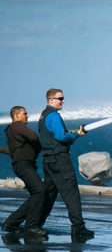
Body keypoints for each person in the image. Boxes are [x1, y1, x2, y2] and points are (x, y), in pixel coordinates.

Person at [39, 88, 94, 238]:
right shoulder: (54, 116)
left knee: (48, 196)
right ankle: (78, 228)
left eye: (63, 98)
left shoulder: (44, 116)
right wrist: (77, 135)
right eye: (60, 98)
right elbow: (61, 136)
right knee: (71, 193)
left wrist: (76, 131)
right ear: (51, 100)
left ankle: (34, 225)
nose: (63, 101)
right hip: (60, 161)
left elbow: (55, 134)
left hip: (48, 161)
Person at [2, 106, 48, 236]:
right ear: (16, 116)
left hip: (23, 164)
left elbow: (12, 151)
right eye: (24, 113)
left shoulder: (12, 130)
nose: (27, 116)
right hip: (23, 165)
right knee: (40, 190)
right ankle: (31, 226)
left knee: (36, 194)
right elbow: (33, 137)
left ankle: (11, 223)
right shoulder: (17, 125)